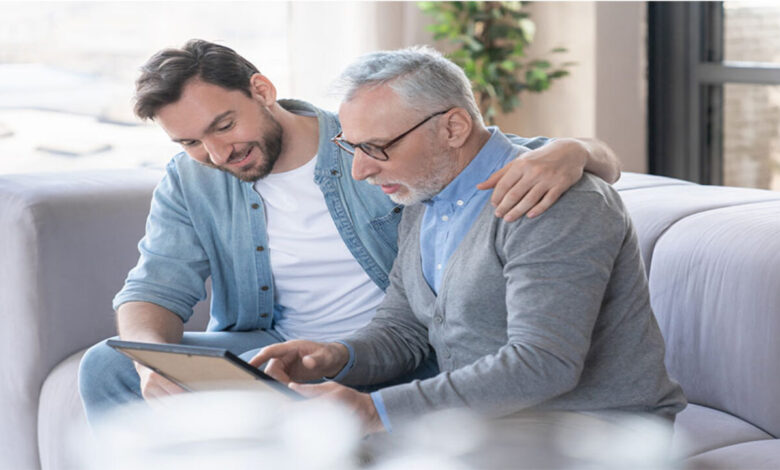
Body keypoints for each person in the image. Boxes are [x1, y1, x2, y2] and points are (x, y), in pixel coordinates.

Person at [78, 39, 621, 422]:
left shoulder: (375, 139)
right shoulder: (196, 176)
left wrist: (577, 150)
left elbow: (489, 152)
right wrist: (155, 366)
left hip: (405, 358)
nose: (217, 153)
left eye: (224, 125)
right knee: (110, 363)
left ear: (261, 90)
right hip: (293, 349)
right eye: (191, 142)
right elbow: (153, 287)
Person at [250, 46, 686, 433]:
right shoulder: (423, 197)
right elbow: (404, 331)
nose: (360, 171)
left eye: (377, 148)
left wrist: (376, 410)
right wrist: (335, 356)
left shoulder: (552, 201)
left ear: (454, 128)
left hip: (596, 433)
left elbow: (544, 364)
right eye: (353, 147)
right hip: (490, 426)